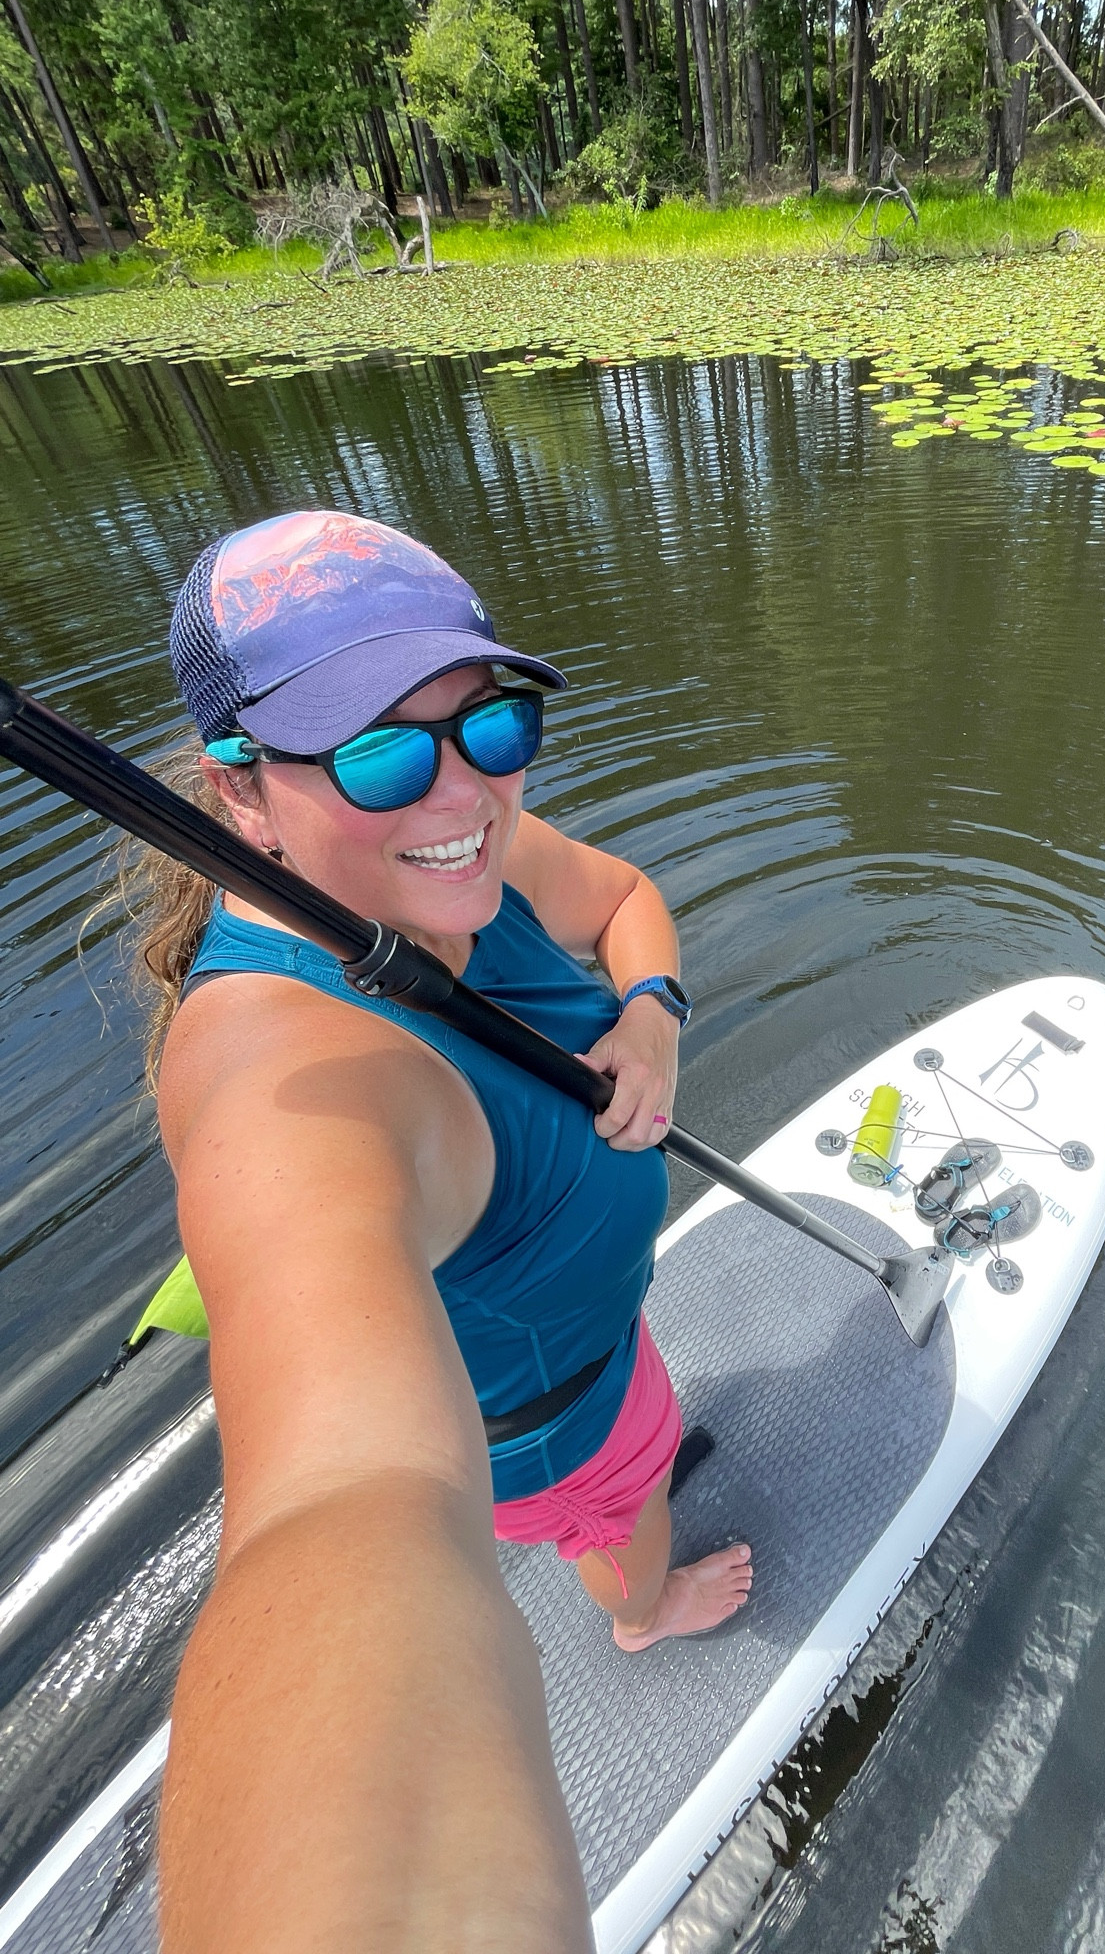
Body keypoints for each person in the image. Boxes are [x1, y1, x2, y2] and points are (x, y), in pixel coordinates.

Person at [140, 509, 753, 1945]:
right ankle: (637, 1609)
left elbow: (623, 898)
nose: (462, 787)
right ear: (241, 791)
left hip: (603, 1340)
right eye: (378, 755)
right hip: (557, 1425)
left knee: (639, 1458)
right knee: (625, 1532)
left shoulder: (470, 845)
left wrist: (652, 1016)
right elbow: (340, 1504)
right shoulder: (287, 1076)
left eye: (492, 720)